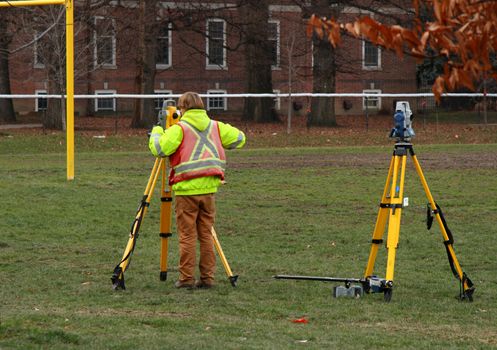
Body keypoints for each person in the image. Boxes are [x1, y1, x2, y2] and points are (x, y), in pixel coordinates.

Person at [149, 91, 246, 289]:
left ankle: (186, 279)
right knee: (206, 234)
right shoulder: (215, 126)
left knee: (187, 236)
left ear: (182, 108)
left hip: (186, 190)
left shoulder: (180, 129)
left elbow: (159, 149)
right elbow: (239, 139)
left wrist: (158, 130)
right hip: (210, 189)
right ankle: (207, 278)